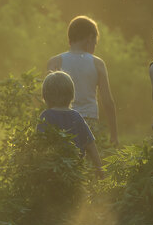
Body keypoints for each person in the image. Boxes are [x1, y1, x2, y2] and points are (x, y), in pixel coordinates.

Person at [47, 16, 119, 147]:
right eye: (95, 43)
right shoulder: (97, 63)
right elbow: (107, 101)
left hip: (61, 119)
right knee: (88, 161)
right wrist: (114, 134)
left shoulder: (55, 62)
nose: (94, 47)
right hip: (88, 121)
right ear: (90, 38)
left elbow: (48, 97)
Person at [38, 70, 105, 177]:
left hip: (51, 172)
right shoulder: (76, 116)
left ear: (46, 95)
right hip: (75, 171)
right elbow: (90, 145)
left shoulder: (46, 116)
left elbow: (39, 144)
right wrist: (99, 169)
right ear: (71, 93)